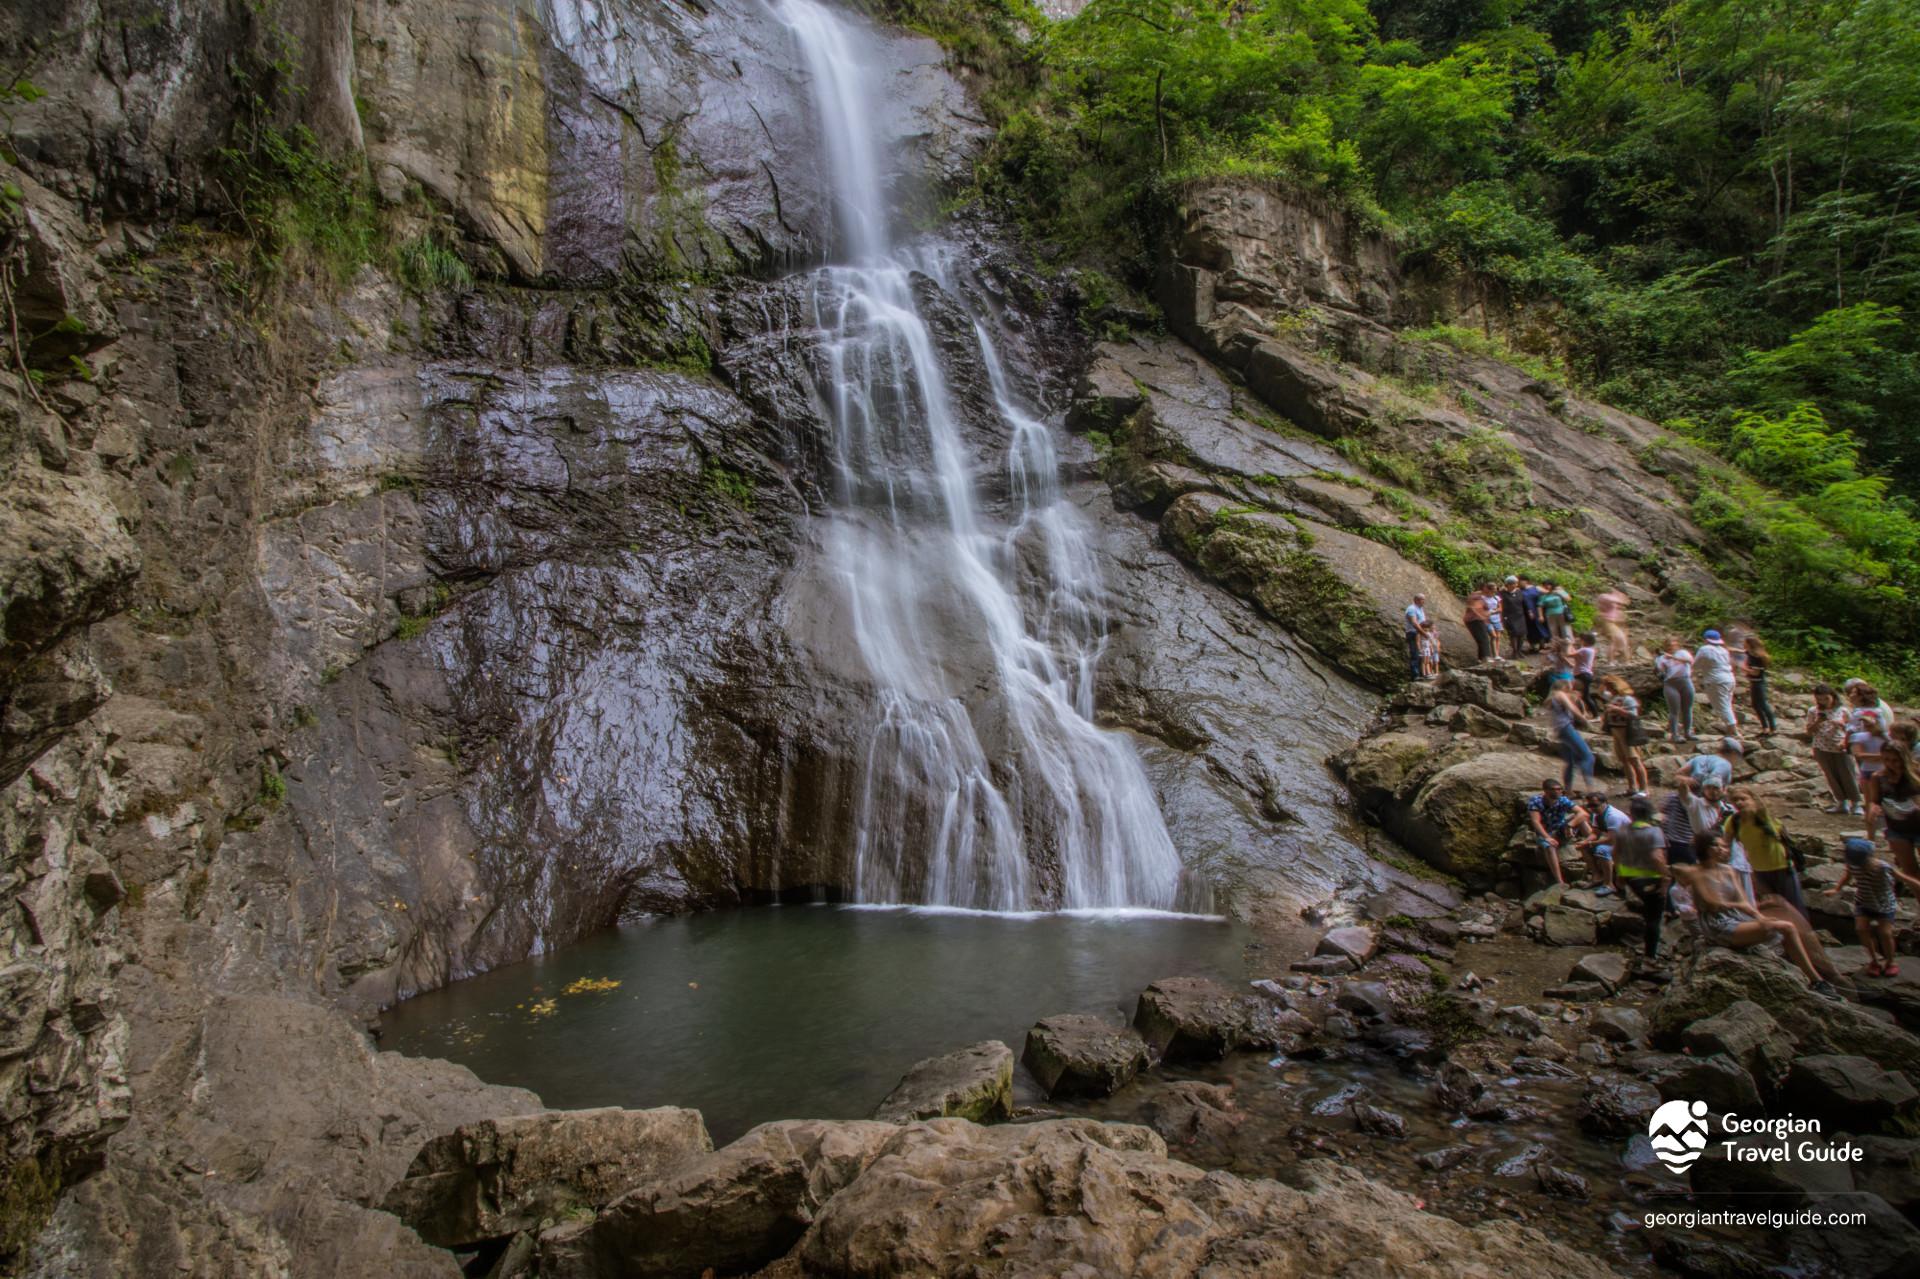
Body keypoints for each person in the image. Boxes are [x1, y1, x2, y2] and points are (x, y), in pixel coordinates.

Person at [1680, 830, 1837, 996]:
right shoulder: (1696, 872)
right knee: (1785, 927)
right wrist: (1744, 909)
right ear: (1706, 849)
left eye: (1723, 846)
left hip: (1736, 918)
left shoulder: (1728, 870)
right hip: (1716, 924)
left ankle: (1815, 979)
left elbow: (1743, 900)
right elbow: (1712, 903)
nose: (1722, 849)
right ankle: (1815, 980)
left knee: (1784, 927)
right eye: (1716, 845)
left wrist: (1759, 917)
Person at [1836, 836, 1920, 978]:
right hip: (1863, 902)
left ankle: (1891, 962)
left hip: (1884, 904)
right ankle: (1874, 960)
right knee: (1861, 929)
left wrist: (1917, 885)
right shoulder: (1853, 865)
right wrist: (1837, 888)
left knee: (1885, 933)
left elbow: (1904, 878)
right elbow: (1847, 876)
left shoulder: (1883, 867)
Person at [1729, 786, 1804, 917]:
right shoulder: (1734, 821)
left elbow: (1776, 833)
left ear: (1753, 800)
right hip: (1758, 870)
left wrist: (1752, 812)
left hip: (1782, 866)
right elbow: (1726, 842)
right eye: (1735, 800)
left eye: (1743, 799)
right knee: (1772, 905)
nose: (1739, 803)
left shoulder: (1763, 815)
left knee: (1793, 906)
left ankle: (1803, 933)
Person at [1613, 796, 1670, 962]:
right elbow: (1657, 857)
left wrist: (1619, 874)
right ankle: (1650, 955)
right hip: (1651, 878)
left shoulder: (1623, 830)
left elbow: (1615, 853)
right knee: (1654, 918)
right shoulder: (1654, 831)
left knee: (1647, 908)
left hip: (1631, 877)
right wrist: (1666, 877)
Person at [1805, 683, 1862, 815]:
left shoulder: (1843, 711)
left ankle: (1856, 803)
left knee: (1847, 774)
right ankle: (1841, 802)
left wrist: (1841, 724)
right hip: (1821, 747)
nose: (1823, 702)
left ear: (1833, 696)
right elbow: (1808, 732)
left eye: (1826, 698)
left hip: (1840, 747)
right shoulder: (1813, 711)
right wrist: (1818, 722)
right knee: (1831, 776)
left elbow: (1852, 729)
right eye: (1819, 699)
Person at [1866, 740, 1920, 879]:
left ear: (1904, 758)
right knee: (1910, 872)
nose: (1891, 764)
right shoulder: (1878, 777)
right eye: (1886, 760)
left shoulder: (1916, 773)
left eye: (1895, 760)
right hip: (1897, 829)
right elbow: (1875, 800)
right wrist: (1873, 809)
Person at [1525, 778, 1589, 887]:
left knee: (1581, 819)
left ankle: (1592, 841)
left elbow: (1583, 813)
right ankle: (1560, 881)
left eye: (1559, 789)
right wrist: (1547, 837)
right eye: (1553, 789)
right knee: (1549, 847)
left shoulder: (1563, 800)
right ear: (1545, 790)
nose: (1557, 792)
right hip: (1546, 831)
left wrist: (1570, 825)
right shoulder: (1536, 801)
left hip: (1561, 827)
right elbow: (1536, 822)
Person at [1599, 674, 1651, 795]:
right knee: (1624, 760)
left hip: (1627, 731)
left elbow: (1633, 715)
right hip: (1615, 731)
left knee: (1634, 759)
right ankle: (1632, 786)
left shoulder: (1628, 699)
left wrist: (1617, 710)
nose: (1608, 690)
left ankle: (1644, 788)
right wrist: (1602, 682)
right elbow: (1601, 693)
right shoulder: (1613, 697)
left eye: (1609, 687)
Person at [1546, 673, 1596, 792]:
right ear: (1564, 687)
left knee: (1570, 762)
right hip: (1566, 728)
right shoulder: (1560, 694)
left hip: (1560, 730)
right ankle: (1590, 788)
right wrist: (1585, 721)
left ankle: (1568, 790)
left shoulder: (1553, 696)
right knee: (1588, 756)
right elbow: (1572, 708)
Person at [1578, 790, 1629, 895]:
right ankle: (1597, 876)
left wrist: (1591, 844)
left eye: (1595, 805)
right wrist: (1585, 842)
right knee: (1583, 847)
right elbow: (1595, 833)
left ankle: (1609, 884)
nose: (1592, 808)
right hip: (1617, 842)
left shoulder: (1613, 816)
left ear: (1605, 802)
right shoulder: (1597, 815)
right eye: (1590, 806)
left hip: (1627, 844)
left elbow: (1611, 839)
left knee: (1602, 850)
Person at [1692, 629, 1739, 733]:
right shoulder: (1724, 650)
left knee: (1721, 706)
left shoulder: (1705, 649)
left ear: (1706, 639)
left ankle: (1733, 731)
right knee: (1727, 704)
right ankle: (1731, 728)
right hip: (1730, 679)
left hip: (1716, 680)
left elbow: (1695, 665)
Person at [1656, 636, 1695, 744]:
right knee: (1674, 710)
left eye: (1673, 643)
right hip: (1670, 683)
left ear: (1677, 644)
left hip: (1685, 681)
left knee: (1687, 708)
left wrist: (1673, 657)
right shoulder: (1661, 657)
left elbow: (1690, 661)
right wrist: (1663, 662)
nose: (1671, 646)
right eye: (1669, 644)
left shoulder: (1683, 653)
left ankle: (1688, 732)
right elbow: (1661, 671)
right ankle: (1674, 734)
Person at [1741, 634, 1777, 733]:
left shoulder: (1756, 658)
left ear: (1749, 644)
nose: (1743, 644)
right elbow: (1741, 651)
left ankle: (1773, 728)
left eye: (1744, 643)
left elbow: (1756, 673)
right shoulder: (1750, 653)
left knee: (1763, 705)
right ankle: (1765, 727)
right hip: (1754, 683)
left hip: (1759, 683)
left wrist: (1744, 668)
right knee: (1755, 705)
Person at [1852, 710, 1888, 795]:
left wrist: (1872, 757)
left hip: (1885, 771)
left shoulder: (1888, 737)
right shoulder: (1859, 737)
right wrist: (1881, 756)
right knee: (1869, 800)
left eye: (1868, 722)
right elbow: (1859, 755)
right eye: (1864, 722)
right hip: (1867, 771)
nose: (1866, 724)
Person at [1595, 587, 1630, 662]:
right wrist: (1620, 598)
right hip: (1608, 621)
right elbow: (1614, 600)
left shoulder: (1615, 600)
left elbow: (1621, 605)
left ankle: (1619, 660)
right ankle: (1612, 661)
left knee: (1618, 642)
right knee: (1617, 640)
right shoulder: (1605, 596)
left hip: (1615, 622)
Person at [1463, 586, 1495, 665]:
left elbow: (1484, 608)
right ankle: (1486, 657)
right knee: (1483, 638)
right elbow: (1473, 608)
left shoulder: (1481, 597)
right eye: (1492, 591)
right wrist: (1482, 616)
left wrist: (1486, 614)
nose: (1493, 593)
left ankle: (1480, 658)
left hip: (1479, 619)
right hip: (1474, 620)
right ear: (1486, 589)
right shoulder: (1476, 597)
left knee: (1482, 639)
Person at [1403, 593, 1429, 682]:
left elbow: (1423, 622)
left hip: (1420, 633)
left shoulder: (1421, 609)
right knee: (1415, 654)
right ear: (1416, 600)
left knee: (1422, 654)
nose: (1424, 601)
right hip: (1413, 633)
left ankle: (1423, 674)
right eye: (1422, 599)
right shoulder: (1411, 609)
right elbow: (1414, 623)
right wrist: (1423, 633)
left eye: (1424, 599)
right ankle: (1415, 675)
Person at [1499, 576, 1526, 660]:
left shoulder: (1519, 592)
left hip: (1520, 615)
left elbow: (1523, 602)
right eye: (1512, 584)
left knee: (1522, 633)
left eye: (1515, 583)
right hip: (1509, 616)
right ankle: (1514, 652)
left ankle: (1519, 650)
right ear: (1507, 585)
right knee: (1513, 634)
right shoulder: (1502, 593)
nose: (1515, 585)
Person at [1572, 631, 1599, 715]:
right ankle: (1585, 712)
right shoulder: (1591, 650)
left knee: (1585, 696)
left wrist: (1569, 645)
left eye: (1581, 640)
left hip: (1582, 674)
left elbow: (1570, 654)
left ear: (1585, 641)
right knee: (1584, 695)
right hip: (1587, 674)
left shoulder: (1584, 649)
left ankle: (1595, 715)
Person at [1521, 577, 1548, 651]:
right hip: (1526, 612)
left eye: (1521, 581)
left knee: (1540, 627)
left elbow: (1548, 592)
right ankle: (1533, 645)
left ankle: (1542, 644)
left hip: (1538, 611)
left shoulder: (1536, 588)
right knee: (1530, 629)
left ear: (1526, 581)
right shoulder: (1519, 590)